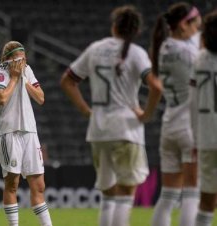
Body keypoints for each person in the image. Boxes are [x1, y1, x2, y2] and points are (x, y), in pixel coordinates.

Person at [60, 6, 162, 226]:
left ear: (114, 26)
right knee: (126, 193)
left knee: (108, 194)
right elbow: (156, 86)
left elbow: (67, 80)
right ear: (135, 30)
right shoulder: (136, 53)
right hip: (125, 129)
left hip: (98, 129)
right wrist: (146, 114)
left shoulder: (95, 49)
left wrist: (85, 109)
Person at [149, 3, 202, 226]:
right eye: (195, 24)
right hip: (189, 126)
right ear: (183, 25)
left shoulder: (164, 48)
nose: (198, 30)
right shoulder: (190, 54)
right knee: (192, 191)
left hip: (169, 124)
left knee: (168, 195)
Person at [0, 41, 52, 226]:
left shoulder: (28, 70)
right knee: (12, 184)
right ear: (8, 58)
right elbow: (2, 98)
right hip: (10, 132)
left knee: (39, 186)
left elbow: (41, 98)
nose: (22, 60)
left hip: (30, 132)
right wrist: (15, 78)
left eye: (24, 57)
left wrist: (24, 79)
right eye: (19, 57)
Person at [191, 10, 217, 226]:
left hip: (207, 138)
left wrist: (194, 137)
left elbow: (192, 101)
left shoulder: (198, 60)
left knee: (207, 200)